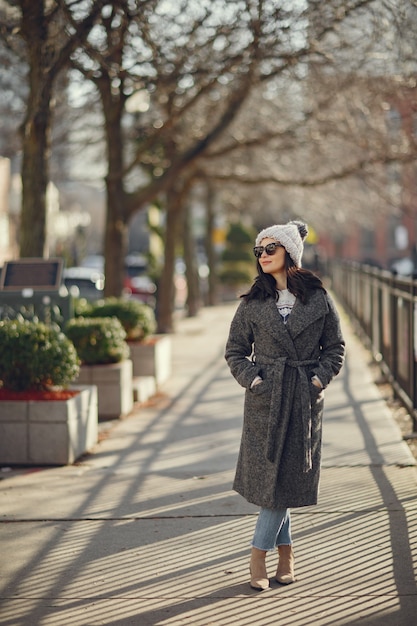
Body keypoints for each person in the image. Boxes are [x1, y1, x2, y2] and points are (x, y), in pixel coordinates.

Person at [224, 219, 345, 591]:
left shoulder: (319, 300)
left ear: (290, 253)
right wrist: (255, 380)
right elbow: (235, 351)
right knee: (275, 482)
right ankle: (277, 554)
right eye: (258, 251)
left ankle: (264, 554)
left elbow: (335, 348)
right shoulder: (253, 304)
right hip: (266, 401)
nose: (263, 256)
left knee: (285, 480)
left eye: (270, 249)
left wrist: (318, 378)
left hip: (303, 398)